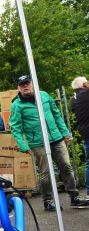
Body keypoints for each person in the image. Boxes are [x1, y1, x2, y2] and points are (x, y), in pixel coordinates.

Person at [9, 75, 89, 210]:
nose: (25, 86)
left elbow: (56, 113)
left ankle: (74, 197)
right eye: (22, 85)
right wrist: (22, 145)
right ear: (19, 87)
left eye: (27, 83)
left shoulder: (44, 95)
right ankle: (48, 201)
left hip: (56, 138)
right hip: (38, 142)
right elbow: (15, 127)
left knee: (66, 167)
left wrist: (64, 132)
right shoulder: (16, 105)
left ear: (32, 83)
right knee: (45, 172)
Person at [70, 76, 89, 195]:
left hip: (85, 133)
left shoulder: (73, 99)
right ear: (84, 85)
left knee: (88, 163)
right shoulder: (86, 93)